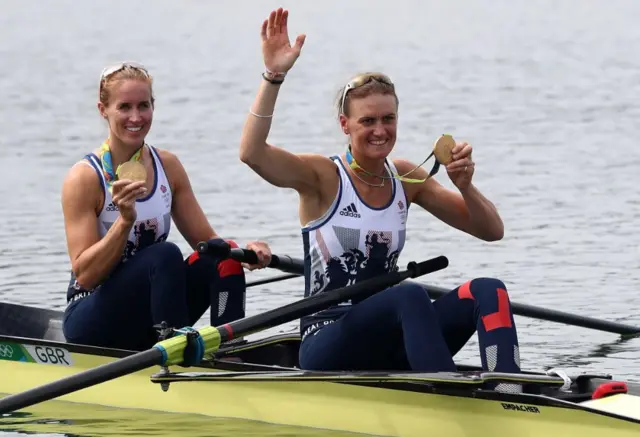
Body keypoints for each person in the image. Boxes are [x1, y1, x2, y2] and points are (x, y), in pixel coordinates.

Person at [238, 8, 521, 380]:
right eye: (367, 120)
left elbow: (491, 230)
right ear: (345, 124)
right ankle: (444, 399)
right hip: (327, 338)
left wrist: (465, 186)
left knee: (488, 290)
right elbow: (251, 153)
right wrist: (273, 77)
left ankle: (511, 394)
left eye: (388, 119)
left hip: (392, 333)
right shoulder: (322, 177)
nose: (379, 130)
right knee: (410, 295)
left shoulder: (405, 177)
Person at [61, 62, 273, 352]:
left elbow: (208, 243)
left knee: (224, 257)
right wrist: (124, 221)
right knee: (164, 254)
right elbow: (85, 275)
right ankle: (176, 353)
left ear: (153, 106)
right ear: (103, 110)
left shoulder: (168, 166)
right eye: (124, 107)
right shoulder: (84, 178)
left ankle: (230, 353)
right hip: (92, 316)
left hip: (149, 314)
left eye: (143, 106)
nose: (135, 117)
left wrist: (248, 252)